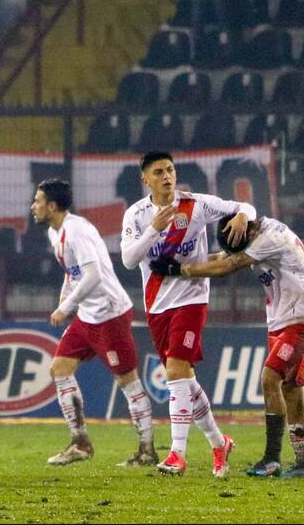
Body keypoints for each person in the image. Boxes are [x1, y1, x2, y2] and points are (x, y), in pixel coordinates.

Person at [150, 213, 304, 478]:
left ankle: (272, 459)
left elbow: (227, 266)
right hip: (282, 320)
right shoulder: (252, 231)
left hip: (301, 319)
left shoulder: (270, 237)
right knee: (291, 389)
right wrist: (175, 260)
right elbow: (222, 257)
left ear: (249, 232)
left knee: (269, 378)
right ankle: (303, 463)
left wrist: (179, 270)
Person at [121, 151, 256, 477]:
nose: (166, 176)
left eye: (170, 170)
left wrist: (241, 216)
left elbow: (246, 207)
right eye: (158, 172)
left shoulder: (195, 204)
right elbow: (128, 260)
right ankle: (219, 443)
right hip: (156, 305)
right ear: (146, 179)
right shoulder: (136, 215)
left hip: (192, 299)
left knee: (176, 370)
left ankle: (177, 454)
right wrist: (153, 229)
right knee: (185, 381)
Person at [31, 179, 158, 467]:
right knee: (60, 369)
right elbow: (72, 272)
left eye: (38, 201)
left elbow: (93, 276)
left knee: (128, 382)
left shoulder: (78, 232)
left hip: (110, 315)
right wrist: (66, 297)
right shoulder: (56, 233)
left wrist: (65, 308)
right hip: (87, 316)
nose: (33, 206)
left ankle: (148, 451)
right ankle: (80, 443)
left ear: (52, 206)